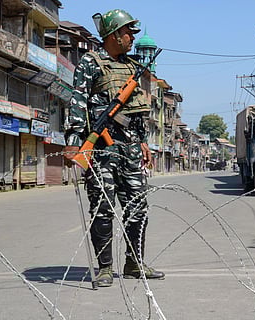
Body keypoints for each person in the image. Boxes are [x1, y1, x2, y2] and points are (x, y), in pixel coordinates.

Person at [63, 9, 165, 287]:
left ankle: (134, 263)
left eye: (133, 32)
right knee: (103, 207)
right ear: (113, 35)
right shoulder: (90, 63)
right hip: (100, 150)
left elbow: (136, 111)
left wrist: (143, 141)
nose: (132, 37)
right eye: (128, 32)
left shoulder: (132, 67)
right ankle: (105, 267)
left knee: (138, 207)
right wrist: (74, 142)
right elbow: (77, 102)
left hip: (130, 148)